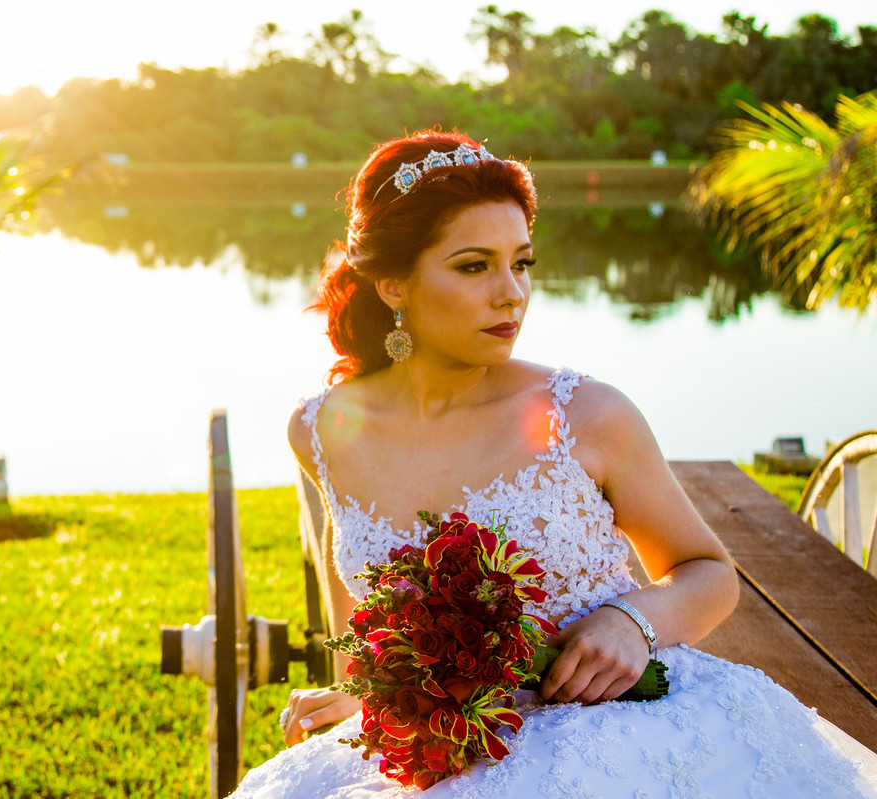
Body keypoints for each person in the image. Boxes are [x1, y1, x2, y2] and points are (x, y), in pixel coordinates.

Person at [229, 130, 877, 798]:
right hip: (444, 748)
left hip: (621, 733)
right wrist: (364, 690)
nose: (512, 294)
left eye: (522, 262)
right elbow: (361, 591)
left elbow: (709, 574)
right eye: (475, 266)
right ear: (394, 282)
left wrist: (635, 621)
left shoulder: (588, 414)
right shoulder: (321, 430)